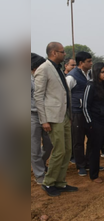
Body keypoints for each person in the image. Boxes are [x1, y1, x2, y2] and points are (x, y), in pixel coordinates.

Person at [34, 42, 78, 197]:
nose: (65, 54)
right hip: (52, 117)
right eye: (62, 52)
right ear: (53, 53)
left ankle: (60, 182)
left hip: (64, 116)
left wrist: (69, 115)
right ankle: (48, 183)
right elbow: (38, 96)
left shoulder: (57, 69)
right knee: (59, 150)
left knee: (67, 150)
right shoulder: (44, 69)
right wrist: (43, 120)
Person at [66, 51, 94, 176]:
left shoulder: (90, 75)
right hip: (77, 112)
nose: (91, 63)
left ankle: (89, 162)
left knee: (92, 138)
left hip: (89, 112)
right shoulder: (72, 77)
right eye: (89, 61)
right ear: (81, 63)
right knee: (78, 140)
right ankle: (80, 165)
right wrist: (69, 114)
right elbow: (65, 95)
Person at [31, 53, 53, 185]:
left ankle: (42, 163)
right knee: (34, 148)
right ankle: (39, 175)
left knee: (49, 144)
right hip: (32, 115)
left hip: (46, 115)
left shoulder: (43, 77)